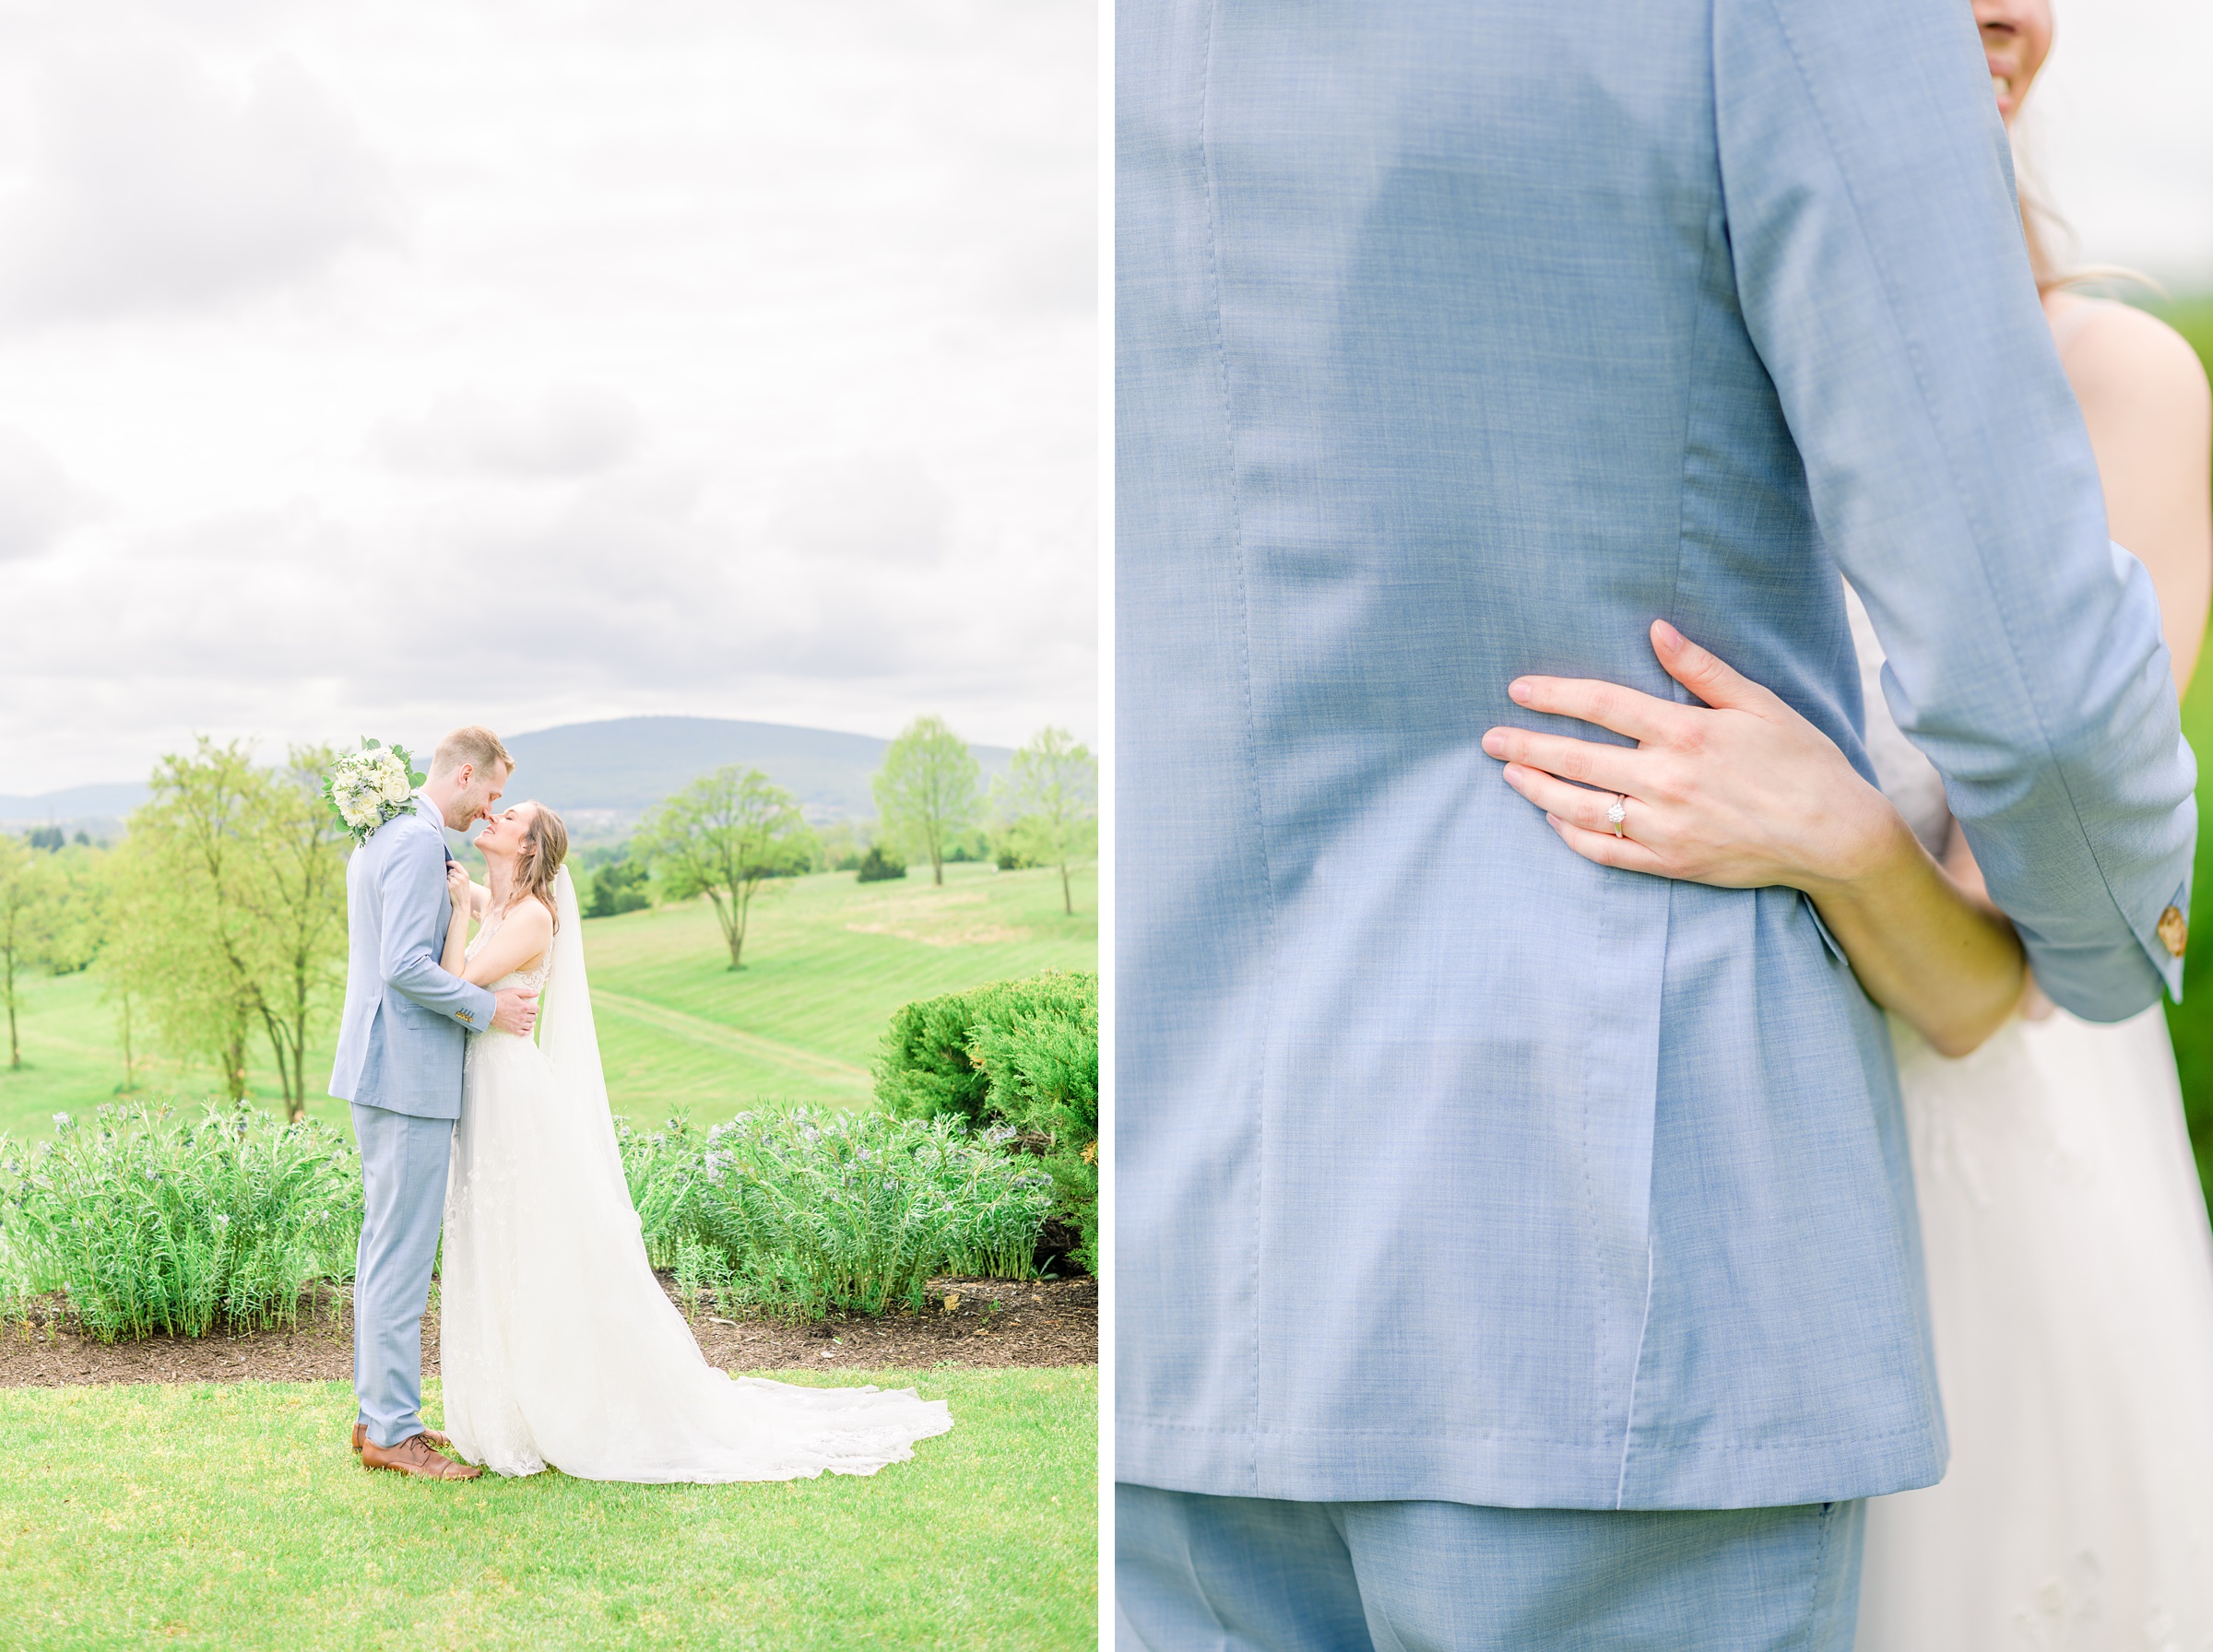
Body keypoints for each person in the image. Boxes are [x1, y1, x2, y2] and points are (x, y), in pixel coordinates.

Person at [1115, 1, 2197, 1646]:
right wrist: (2105, 947)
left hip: (1201, 1262)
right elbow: (2049, 731)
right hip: (1653, 1245)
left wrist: (1841, 829)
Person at [1487, 4, 2213, 1642]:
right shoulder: (1663, 380)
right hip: (1695, 1192)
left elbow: (1993, 990)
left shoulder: (2124, 383)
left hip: (1997, 1209)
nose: (2011, 10)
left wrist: (1836, 829)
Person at [430, 799, 953, 1482]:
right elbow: (452, 893)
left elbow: (455, 984)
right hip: (489, 1090)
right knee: (497, 1244)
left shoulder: (528, 915)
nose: (492, 819)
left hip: (512, 1096)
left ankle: (562, 1406)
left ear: (528, 849)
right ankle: (506, 1409)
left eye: (510, 818)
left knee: (533, 1246)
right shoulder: (500, 900)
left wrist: (460, 914)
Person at [329, 725, 538, 1481]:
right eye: (492, 793)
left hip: (381, 1070)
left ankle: (377, 1417)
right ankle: (392, 1431)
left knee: (384, 1251)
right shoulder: (416, 842)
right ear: (465, 773)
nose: (490, 810)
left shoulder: (388, 831)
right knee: (402, 1258)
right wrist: (488, 1012)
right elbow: (406, 967)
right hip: (407, 1075)